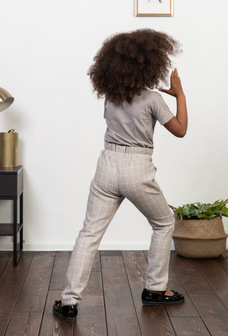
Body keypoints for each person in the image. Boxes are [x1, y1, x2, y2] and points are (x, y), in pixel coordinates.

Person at [53, 29, 188, 322]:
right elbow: (180, 130)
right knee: (164, 223)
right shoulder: (153, 99)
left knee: (89, 233)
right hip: (137, 168)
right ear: (150, 64)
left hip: (107, 165)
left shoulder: (111, 98)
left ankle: (68, 302)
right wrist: (180, 95)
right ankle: (155, 289)